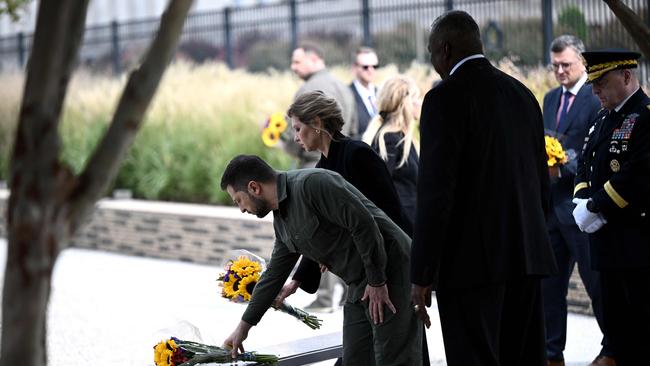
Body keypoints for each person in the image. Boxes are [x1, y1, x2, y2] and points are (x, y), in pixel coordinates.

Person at [410, 11, 557, 366]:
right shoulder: (521, 94)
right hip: (525, 254)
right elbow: (539, 181)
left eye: (431, 53)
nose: (433, 62)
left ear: (444, 49)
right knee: (523, 357)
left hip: (470, 265)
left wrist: (422, 273)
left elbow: (436, 193)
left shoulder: (443, 99)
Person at [275, 90, 430, 365]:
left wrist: (378, 278)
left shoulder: (358, 155)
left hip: (390, 264)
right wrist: (296, 282)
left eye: (298, 129)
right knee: (363, 353)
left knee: (394, 352)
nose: (296, 138)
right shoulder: (323, 166)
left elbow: (385, 216)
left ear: (318, 123)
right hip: (365, 272)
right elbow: (321, 227)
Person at [220, 154, 422, 365]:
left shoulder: (313, 184)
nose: (242, 209)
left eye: (239, 201)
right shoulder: (281, 220)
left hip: (391, 271)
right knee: (355, 357)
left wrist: (377, 281)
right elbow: (273, 275)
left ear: (254, 188)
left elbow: (364, 225)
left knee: (394, 358)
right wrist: (242, 329)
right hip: (359, 281)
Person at [573, 49, 650, 366]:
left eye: (601, 82)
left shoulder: (645, 117)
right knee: (615, 325)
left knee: (641, 328)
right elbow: (585, 162)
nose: (595, 91)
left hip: (636, 244)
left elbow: (639, 172)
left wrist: (597, 206)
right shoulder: (603, 119)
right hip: (606, 245)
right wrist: (580, 198)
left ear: (627, 76)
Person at [541, 35, 614, 366]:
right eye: (554, 65)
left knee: (596, 283)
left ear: (581, 63)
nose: (559, 71)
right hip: (552, 210)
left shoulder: (595, 96)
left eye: (565, 64)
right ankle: (551, 353)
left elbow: (596, 146)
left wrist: (564, 164)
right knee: (550, 289)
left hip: (582, 208)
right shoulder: (549, 98)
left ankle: (611, 349)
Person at [283, 42, 357, 167]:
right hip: (344, 163)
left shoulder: (306, 91)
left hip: (314, 165)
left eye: (297, 62)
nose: (293, 67)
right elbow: (354, 130)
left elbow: (294, 136)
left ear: (314, 59)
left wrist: (281, 139)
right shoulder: (344, 88)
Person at [362, 75, 421, 230]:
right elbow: (378, 190)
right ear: (404, 103)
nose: (419, 102)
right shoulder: (389, 140)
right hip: (401, 229)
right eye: (416, 97)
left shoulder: (404, 138)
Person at [350, 47, 380, 139]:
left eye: (374, 66)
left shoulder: (381, 93)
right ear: (354, 68)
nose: (371, 70)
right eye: (365, 67)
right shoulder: (348, 94)